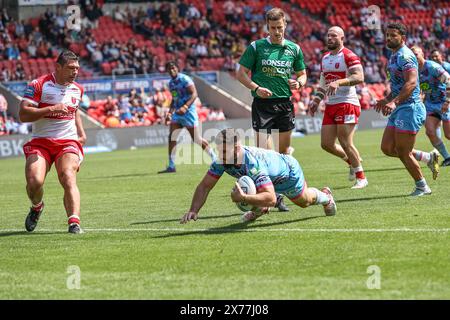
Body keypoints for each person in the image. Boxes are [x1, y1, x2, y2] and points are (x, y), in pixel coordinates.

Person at [180, 128, 337, 224]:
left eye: (225, 151)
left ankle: (326, 197)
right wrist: (194, 210)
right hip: (267, 179)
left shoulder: (253, 163)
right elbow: (205, 186)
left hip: (287, 173)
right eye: (219, 150)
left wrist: (244, 199)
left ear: (236, 148)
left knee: (304, 202)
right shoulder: (221, 160)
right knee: (249, 185)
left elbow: (272, 199)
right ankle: (259, 209)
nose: (221, 155)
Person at [236, 7, 307, 211]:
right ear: (267, 27)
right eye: (273, 27)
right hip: (262, 106)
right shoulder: (256, 47)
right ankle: (273, 199)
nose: (277, 31)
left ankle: (283, 193)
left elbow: (302, 73)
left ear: (285, 25)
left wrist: (300, 83)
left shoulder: (294, 49)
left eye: (280, 27)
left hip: (285, 104)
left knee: (284, 153)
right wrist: (256, 88)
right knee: (265, 155)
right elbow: (241, 73)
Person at [19, 50, 86, 234]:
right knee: (34, 182)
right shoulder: (38, 84)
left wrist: (81, 132)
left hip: (67, 141)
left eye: (77, 68)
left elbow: (75, 109)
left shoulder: (78, 89)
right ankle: (37, 206)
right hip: (41, 142)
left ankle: (74, 223)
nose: (75, 72)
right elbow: (23, 114)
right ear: (58, 67)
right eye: (71, 68)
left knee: (67, 176)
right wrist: (52, 108)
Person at [375, 23, 439, 197]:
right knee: (387, 148)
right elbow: (398, 85)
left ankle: (422, 186)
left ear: (403, 38)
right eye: (387, 35)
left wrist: (393, 103)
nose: (389, 38)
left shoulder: (405, 56)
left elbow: (411, 83)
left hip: (410, 108)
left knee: (403, 152)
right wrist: (386, 100)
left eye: (393, 35)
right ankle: (428, 158)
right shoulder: (393, 55)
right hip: (399, 106)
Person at [308, 26, 367, 189]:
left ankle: (361, 177)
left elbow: (359, 77)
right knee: (326, 144)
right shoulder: (325, 58)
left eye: (334, 35)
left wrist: (339, 82)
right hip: (331, 104)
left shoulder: (349, 55)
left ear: (342, 38)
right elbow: (323, 84)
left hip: (347, 103)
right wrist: (316, 100)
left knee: (345, 141)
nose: (330, 38)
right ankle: (351, 161)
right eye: (328, 36)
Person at [158, 61, 216, 173]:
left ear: (177, 69)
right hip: (177, 114)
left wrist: (185, 107)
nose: (172, 70)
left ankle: (214, 158)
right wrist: (169, 113)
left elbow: (194, 94)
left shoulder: (185, 79)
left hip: (188, 112)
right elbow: (174, 100)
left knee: (196, 139)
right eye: (169, 69)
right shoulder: (171, 83)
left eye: (173, 68)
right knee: (172, 137)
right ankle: (171, 165)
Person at [411, 46, 450, 166]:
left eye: (416, 54)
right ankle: (447, 158)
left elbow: (448, 80)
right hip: (430, 105)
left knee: (448, 135)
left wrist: (447, 101)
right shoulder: (413, 71)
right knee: (430, 132)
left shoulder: (432, 67)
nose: (414, 57)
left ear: (422, 53)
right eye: (412, 55)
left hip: (444, 102)